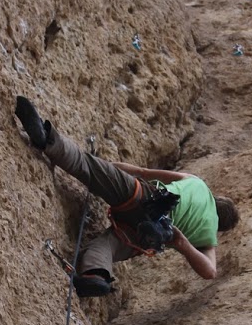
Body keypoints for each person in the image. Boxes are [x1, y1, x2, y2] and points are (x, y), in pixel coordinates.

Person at [14, 96, 239, 297]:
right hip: (150, 236)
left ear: (216, 198)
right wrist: (181, 243)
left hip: (150, 198)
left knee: (86, 166)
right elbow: (210, 272)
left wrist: (105, 167)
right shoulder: (208, 239)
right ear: (219, 226)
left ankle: (47, 140)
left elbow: (142, 172)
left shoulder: (196, 182)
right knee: (106, 247)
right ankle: (96, 276)